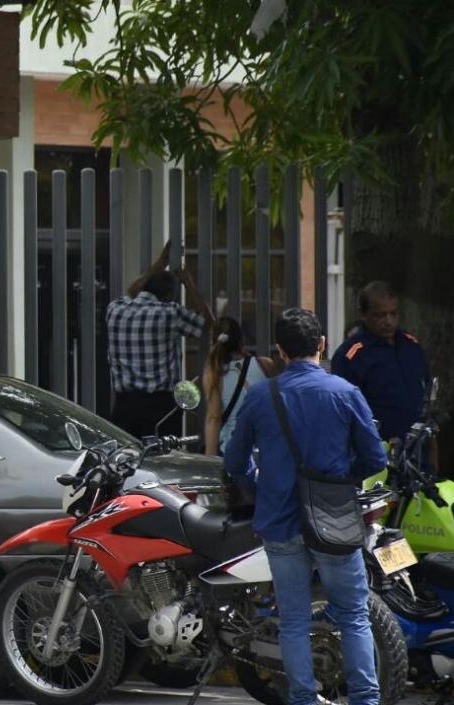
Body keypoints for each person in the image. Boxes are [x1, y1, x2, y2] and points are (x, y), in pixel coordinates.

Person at [225, 309, 387, 705]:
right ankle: (365, 699)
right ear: (322, 346)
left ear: (279, 352)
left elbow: (234, 461)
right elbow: (375, 459)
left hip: (280, 521)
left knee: (293, 620)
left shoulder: (262, 395)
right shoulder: (345, 393)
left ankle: (302, 699)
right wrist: (342, 478)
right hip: (335, 517)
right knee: (352, 616)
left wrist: (259, 484)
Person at [106, 242, 212, 437]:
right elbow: (207, 323)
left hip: (124, 407)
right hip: (160, 408)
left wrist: (161, 262)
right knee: (162, 463)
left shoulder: (115, 309)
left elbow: (132, 290)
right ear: (169, 295)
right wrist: (188, 282)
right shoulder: (170, 313)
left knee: (125, 461)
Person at [331, 281, 436, 467]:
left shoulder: (411, 346)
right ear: (364, 314)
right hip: (378, 458)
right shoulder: (352, 355)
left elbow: (426, 396)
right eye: (380, 315)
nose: (388, 321)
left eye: (393, 314)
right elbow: (344, 414)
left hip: (418, 453)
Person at [203, 317, 277, 456]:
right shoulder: (265, 364)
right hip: (266, 449)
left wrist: (209, 460)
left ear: (213, 341)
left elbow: (214, 419)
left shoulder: (214, 373)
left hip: (233, 450)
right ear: (241, 340)